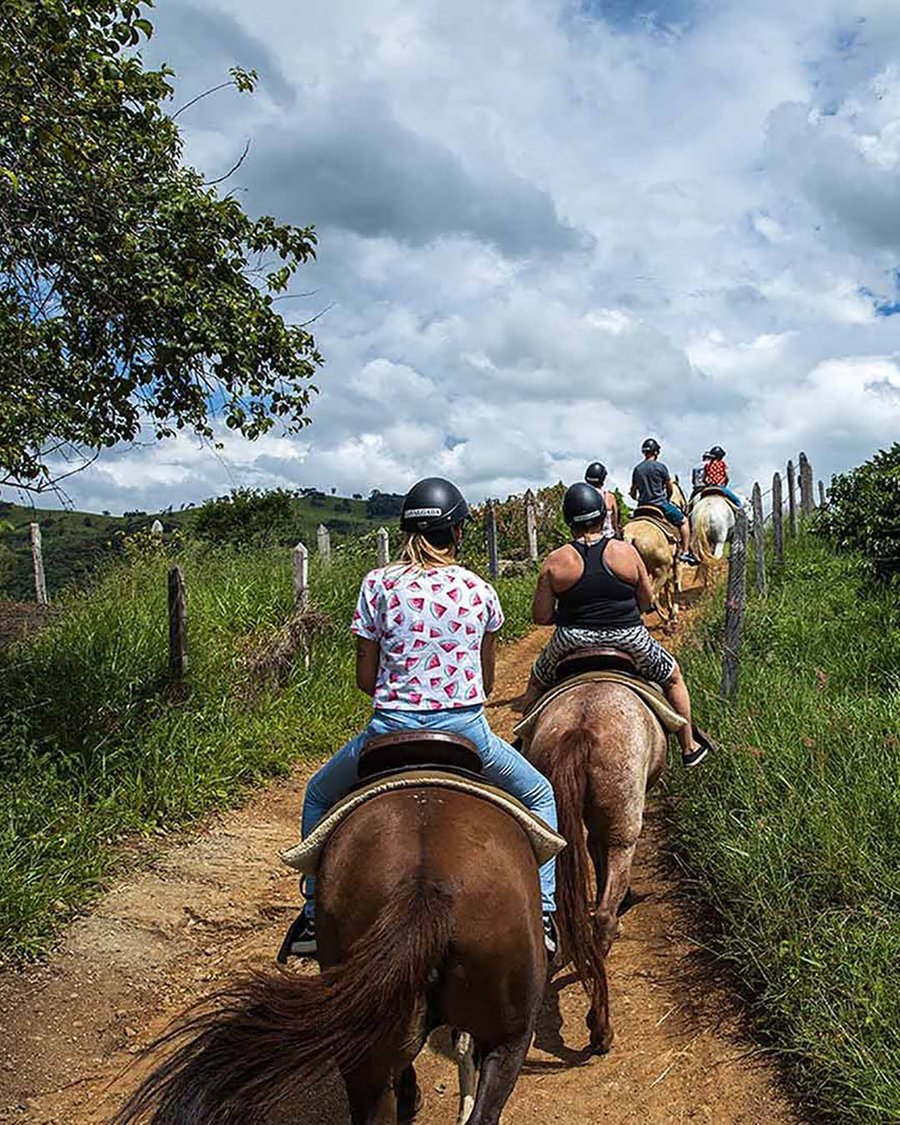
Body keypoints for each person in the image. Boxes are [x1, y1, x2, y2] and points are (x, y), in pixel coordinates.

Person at [278, 477, 559, 962]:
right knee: (540, 794)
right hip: (467, 731)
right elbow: (487, 683)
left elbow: (366, 679)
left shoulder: (377, 584)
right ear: (458, 534)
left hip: (389, 730)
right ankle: (547, 914)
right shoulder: (480, 590)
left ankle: (309, 913)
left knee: (319, 793)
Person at [522, 482, 709, 768]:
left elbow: (541, 616)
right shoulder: (625, 552)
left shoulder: (555, 561)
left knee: (536, 681)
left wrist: (569, 614)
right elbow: (646, 602)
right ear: (603, 516)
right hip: (629, 637)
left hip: (570, 640)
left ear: (568, 520)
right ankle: (688, 746)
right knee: (672, 677)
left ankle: (523, 748)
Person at [630, 438, 700, 565]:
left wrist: (637, 498)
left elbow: (633, 491)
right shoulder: (661, 467)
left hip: (641, 506)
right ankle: (685, 552)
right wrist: (667, 497)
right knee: (684, 521)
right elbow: (669, 487)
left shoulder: (637, 469)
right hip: (659, 504)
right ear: (656, 452)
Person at [584, 461, 620, 537]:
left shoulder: (582, 495)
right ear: (602, 479)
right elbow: (614, 522)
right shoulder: (609, 497)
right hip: (607, 537)